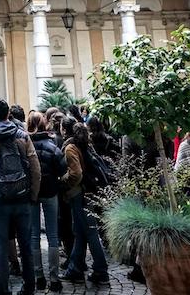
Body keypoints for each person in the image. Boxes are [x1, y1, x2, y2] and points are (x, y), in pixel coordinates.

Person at [0, 99, 41, 295]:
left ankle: (2, 290)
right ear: (7, 115)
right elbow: (35, 168)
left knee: (2, 249)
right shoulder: (22, 136)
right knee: (26, 246)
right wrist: (33, 196)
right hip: (22, 198)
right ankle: (29, 287)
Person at [59, 119, 108, 284]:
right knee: (80, 232)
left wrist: (62, 180)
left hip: (80, 195)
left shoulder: (70, 147)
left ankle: (101, 271)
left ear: (66, 130)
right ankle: (75, 269)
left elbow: (76, 173)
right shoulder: (85, 144)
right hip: (88, 193)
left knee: (90, 233)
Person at [27, 112, 66, 292]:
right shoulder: (52, 145)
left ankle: (39, 277)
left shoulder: (25, 144)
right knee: (52, 236)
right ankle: (54, 278)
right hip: (50, 191)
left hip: (32, 193)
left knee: (34, 235)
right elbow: (62, 167)